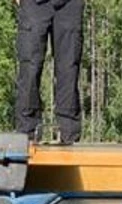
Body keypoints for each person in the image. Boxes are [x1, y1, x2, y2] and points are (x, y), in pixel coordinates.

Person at [14, 0, 83, 145]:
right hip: (34, 5)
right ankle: (27, 131)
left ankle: (69, 133)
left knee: (69, 68)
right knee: (30, 68)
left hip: (70, 5)